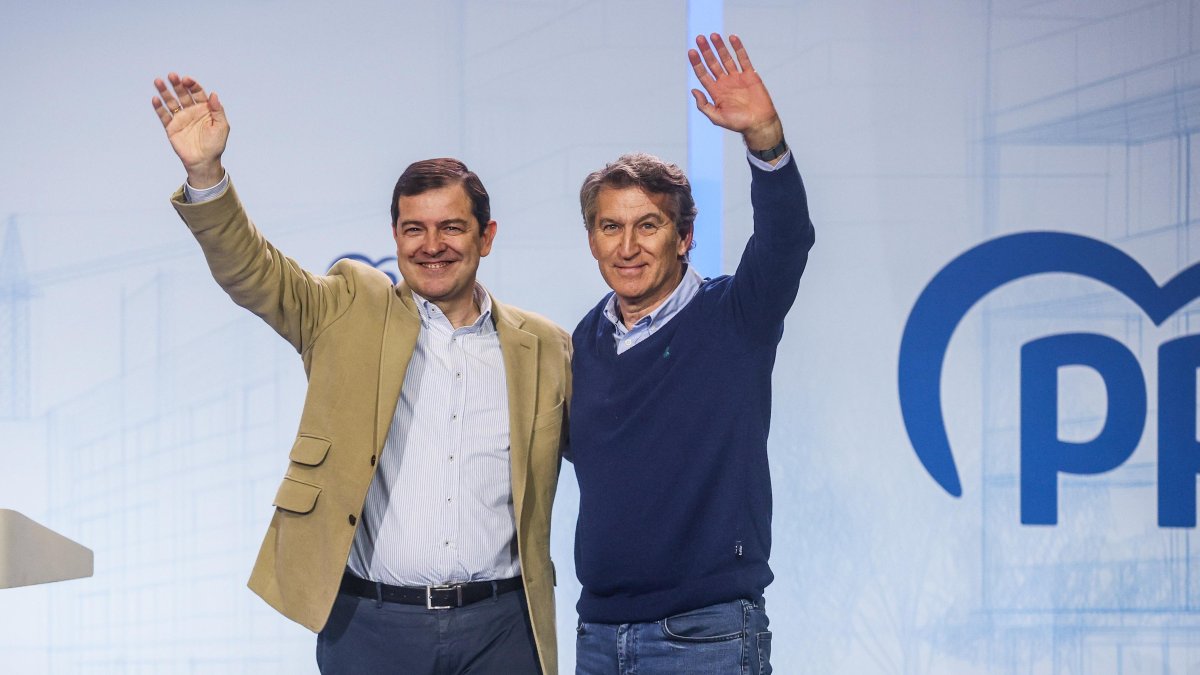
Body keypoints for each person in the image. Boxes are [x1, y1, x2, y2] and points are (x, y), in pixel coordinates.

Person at [150, 73, 570, 675]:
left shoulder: (545, 346)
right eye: (414, 229)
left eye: (452, 227)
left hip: (501, 630)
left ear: (487, 236)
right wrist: (206, 174)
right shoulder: (346, 309)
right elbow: (252, 271)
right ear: (394, 236)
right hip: (370, 627)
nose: (431, 245)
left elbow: (613, 452)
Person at [568, 33, 814, 674]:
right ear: (592, 240)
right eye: (610, 227)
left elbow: (787, 239)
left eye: (647, 225)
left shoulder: (736, 316)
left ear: (684, 238)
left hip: (708, 637)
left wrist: (765, 139)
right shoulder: (580, 345)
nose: (628, 246)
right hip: (598, 637)